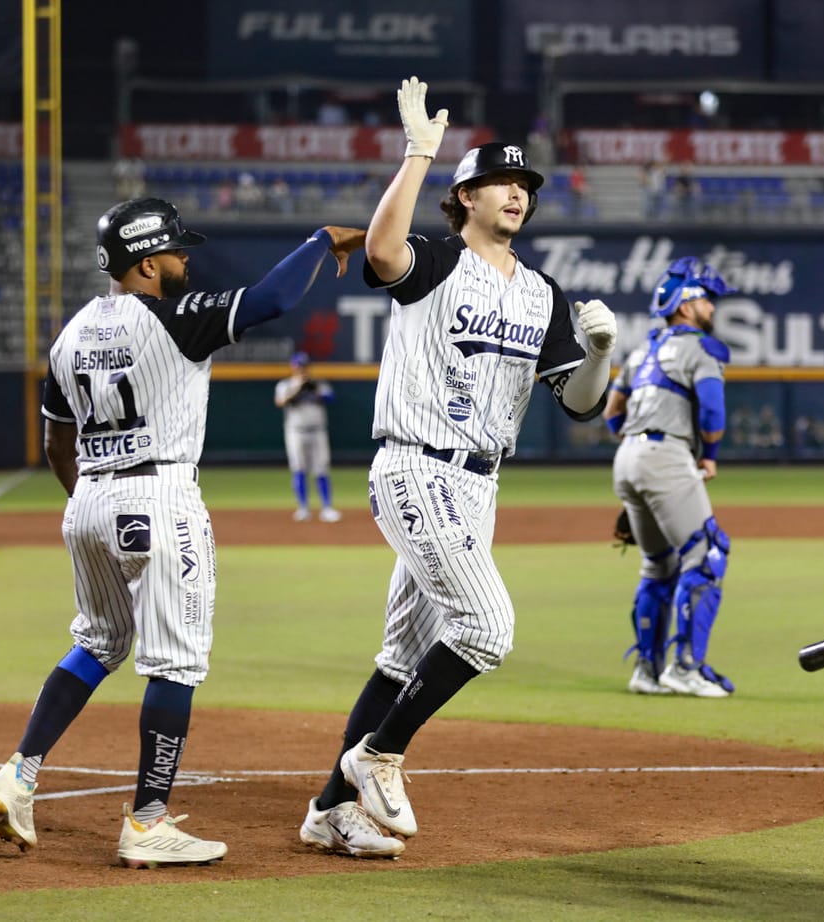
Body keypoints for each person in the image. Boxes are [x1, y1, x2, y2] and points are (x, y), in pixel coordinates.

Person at [0, 196, 368, 867]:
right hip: (158, 494)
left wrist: (95, 506)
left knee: (98, 642)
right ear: (148, 260)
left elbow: (54, 442)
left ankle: (18, 774)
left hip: (90, 500)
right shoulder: (176, 318)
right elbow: (272, 299)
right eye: (177, 249)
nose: (187, 258)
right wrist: (321, 240)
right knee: (176, 662)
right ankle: (148, 822)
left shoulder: (70, 334)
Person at [297, 76, 617, 859]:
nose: (518, 193)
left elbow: (579, 407)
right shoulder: (436, 261)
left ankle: (328, 810)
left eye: (525, 185)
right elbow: (379, 250)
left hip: (479, 484)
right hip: (414, 465)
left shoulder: (543, 295)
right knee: (488, 626)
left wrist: (603, 355)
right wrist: (417, 155)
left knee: (400, 657)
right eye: (501, 182)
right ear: (465, 196)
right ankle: (377, 755)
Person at [603, 256, 735, 698]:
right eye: (707, 299)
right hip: (666, 455)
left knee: (658, 566)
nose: (712, 309)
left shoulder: (642, 350)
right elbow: (713, 413)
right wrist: (710, 454)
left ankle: (646, 669)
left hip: (628, 459)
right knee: (707, 554)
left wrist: (636, 450)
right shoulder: (701, 348)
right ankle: (686, 668)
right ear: (685, 304)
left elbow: (611, 413)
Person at [275, 351, 341, 522]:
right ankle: (303, 508)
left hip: (318, 431)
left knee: (322, 468)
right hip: (295, 432)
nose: (302, 369)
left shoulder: (318, 384)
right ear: (293, 367)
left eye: (304, 366)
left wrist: (316, 391)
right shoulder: (286, 385)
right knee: (299, 469)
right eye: (299, 366)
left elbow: (331, 398)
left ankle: (327, 508)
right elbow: (280, 402)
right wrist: (297, 390)